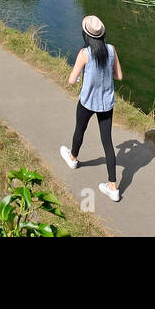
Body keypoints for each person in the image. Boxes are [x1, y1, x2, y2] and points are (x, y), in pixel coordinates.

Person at [60, 15, 122, 202]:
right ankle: (113, 187)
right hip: (106, 104)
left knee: (80, 129)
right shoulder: (111, 50)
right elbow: (118, 75)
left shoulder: (84, 54)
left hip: (87, 102)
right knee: (107, 143)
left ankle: (73, 158)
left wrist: (82, 76)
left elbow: (71, 80)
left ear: (86, 35)